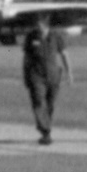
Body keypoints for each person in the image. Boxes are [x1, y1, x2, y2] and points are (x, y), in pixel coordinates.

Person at [22, 17, 71, 145]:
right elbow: (26, 59)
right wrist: (26, 76)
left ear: (46, 25)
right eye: (36, 23)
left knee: (50, 104)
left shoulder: (56, 36)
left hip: (53, 76)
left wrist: (69, 72)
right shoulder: (31, 37)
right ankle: (46, 132)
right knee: (38, 101)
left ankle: (45, 128)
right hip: (36, 75)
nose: (38, 26)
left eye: (40, 24)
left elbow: (64, 54)